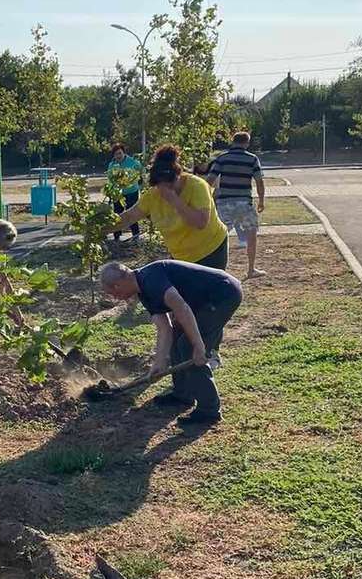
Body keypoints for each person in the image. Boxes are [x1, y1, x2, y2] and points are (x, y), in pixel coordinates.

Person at [98, 259, 242, 425]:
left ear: (118, 284)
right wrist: (158, 364)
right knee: (176, 338)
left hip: (223, 293)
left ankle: (209, 411)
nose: (115, 297)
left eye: (112, 292)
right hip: (201, 301)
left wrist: (198, 345)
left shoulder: (151, 279)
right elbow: (165, 329)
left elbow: (181, 307)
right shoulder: (143, 292)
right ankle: (183, 394)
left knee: (188, 348)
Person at [114, 144, 229, 268]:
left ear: (177, 177)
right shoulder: (153, 195)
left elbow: (200, 222)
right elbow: (129, 217)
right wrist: (99, 227)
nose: (163, 189)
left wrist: (175, 200)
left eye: (168, 185)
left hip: (211, 250)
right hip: (181, 256)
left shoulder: (197, 186)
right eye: (159, 185)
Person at [208, 131, 266, 279]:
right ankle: (251, 269)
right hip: (244, 203)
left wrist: (207, 198)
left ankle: (216, 269)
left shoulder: (222, 158)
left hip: (224, 202)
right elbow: (259, 181)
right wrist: (261, 200)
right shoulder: (252, 159)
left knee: (219, 236)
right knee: (251, 234)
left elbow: (210, 179)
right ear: (247, 143)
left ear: (233, 142)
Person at [106, 144, 143, 241]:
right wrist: (110, 191)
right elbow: (110, 179)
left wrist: (139, 185)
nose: (118, 156)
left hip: (132, 191)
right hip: (118, 193)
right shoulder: (112, 165)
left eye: (119, 153)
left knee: (131, 213)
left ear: (124, 153)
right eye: (116, 154)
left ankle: (136, 235)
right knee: (117, 214)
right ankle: (117, 236)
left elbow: (141, 172)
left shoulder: (133, 162)